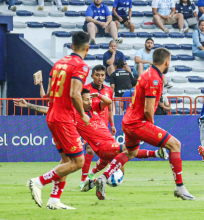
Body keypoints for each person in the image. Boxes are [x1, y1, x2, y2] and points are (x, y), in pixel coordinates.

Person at [14, 90, 168, 192]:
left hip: (109, 143)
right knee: (128, 150)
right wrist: (28, 105)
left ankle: (91, 181)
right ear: (79, 100)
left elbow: (108, 102)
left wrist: (97, 95)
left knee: (122, 160)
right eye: (86, 99)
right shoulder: (75, 113)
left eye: (89, 99)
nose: (89, 101)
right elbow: (50, 111)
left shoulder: (94, 107)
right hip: (102, 147)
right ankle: (157, 153)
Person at [94, 48, 195, 200]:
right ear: (166, 62)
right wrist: (152, 126)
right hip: (138, 123)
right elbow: (148, 110)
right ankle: (180, 187)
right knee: (175, 145)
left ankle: (104, 177)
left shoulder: (147, 73)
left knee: (130, 152)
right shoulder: (154, 78)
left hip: (128, 121)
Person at [26, 31, 91, 210]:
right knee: (78, 162)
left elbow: (48, 93)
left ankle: (54, 200)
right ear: (88, 47)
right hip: (64, 118)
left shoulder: (58, 63)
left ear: (71, 46)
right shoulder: (82, 66)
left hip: (52, 116)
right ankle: (38, 182)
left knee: (66, 161)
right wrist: (84, 115)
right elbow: (74, 94)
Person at [80, 65, 116, 187]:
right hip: (88, 126)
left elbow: (110, 109)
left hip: (103, 128)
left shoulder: (109, 90)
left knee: (108, 155)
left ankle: (92, 173)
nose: (100, 78)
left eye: (102, 75)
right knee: (89, 150)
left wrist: (112, 124)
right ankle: (83, 180)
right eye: (97, 75)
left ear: (105, 76)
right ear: (92, 76)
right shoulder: (85, 89)